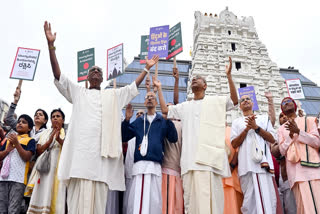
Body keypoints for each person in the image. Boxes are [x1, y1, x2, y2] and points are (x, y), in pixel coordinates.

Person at [44, 21, 159, 213]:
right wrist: (51, 46)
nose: (96, 71)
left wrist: (146, 69)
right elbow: (58, 75)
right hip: (80, 158)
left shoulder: (112, 96)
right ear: (88, 78)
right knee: (76, 204)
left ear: (102, 77)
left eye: (99, 70)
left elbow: (132, 88)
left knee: (98, 204)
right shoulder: (78, 92)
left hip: (101, 160)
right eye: (92, 70)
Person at [157, 57, 238, 214]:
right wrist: (159, 88)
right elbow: (166, 111)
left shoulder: (215, 101)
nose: (194, 79)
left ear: (205, 86)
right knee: (191, 204)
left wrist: (229, 76)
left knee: (211, 203)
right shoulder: (185, 106)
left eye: (198, 79)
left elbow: (234, 101)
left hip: (209, 161)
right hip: (189, 162)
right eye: (193, 79)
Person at [121, 93, 178, 214]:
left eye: (152, 97)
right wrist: (126, 120)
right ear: (144, 103)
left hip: (155, 166)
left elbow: (173, 138)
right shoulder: (138, 121)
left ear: (157, 103)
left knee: (154, 201)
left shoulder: (162, 121)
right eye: (147, 97)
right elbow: (124, 136)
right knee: (138, 201)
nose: (150, 99)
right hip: (140, 166)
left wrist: (168, 119)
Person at [231, 94, 277, 214]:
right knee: (249, 202)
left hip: (263, 166)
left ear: (253, 103)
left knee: (267, 200)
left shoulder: (263, 118)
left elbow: (272, 139)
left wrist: (256, 127)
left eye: (248, 99)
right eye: (242, 100)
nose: (245, 101)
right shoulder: (236, 122)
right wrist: (246, 129)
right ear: (239, 107)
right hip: (246, 167)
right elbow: (234, 144)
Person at [278, 97, 320, 214]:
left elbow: (317, 142)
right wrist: (291, 136)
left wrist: (298, 132)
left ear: (295, 106)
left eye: (289, 101)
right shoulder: (281, 129)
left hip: (313, 169)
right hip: (296, 173)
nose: (286, 103)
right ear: (282, 110)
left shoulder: (309, 120)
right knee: (303, 209)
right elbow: (281, 150)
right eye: (283, 103)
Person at [25, 109, 66, 214]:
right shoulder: (45, 133)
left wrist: (59, 140)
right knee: (41, 194)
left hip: (58, 170)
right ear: (50, 120)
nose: (55, 118)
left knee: (56, 194)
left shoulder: (66, 132)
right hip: (44, 169)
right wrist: (51, 139)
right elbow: (39, 150)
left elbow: (69, 150)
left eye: (58, 116)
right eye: (53, 116)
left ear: (63, 120)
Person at [0, 115, 36, 213]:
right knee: (1, 209)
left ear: (29, 128)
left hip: (18, 180)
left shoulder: (30, 140)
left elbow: (27, 157)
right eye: (19, 121)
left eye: (24, 122)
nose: (20, 123)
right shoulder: (8, 139)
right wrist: (7, 150)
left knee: (13, 210)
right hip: (3, 178)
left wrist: (17, 144)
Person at [271, 112, 296, 214]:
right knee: (288, 207)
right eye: (281, 116)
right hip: (283, 175)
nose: (284, 117)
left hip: (298, 172)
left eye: (286, 114)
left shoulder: (299, 129)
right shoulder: (276, 134)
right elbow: (275, 151)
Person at [161, 103, 184, 214]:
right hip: (175, 170)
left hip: (171, 170)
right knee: (177, 205)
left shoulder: (169, 124)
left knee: (168, 205)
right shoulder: (183, 125)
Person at [123, 109, 144, 214]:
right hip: (129, 172)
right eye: (137, 113)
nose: (139, 115)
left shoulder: (147, 133)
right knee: (128, 203)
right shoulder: (130, 132)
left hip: (141, 173)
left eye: (142, 113)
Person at [222, 124, 243, 214]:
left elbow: (239, 149)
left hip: (232, 175)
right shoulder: (209, 130)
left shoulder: (231, 130)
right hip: (217, 177)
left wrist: (232, 165)